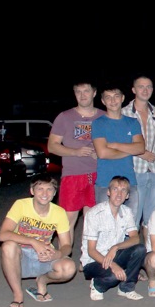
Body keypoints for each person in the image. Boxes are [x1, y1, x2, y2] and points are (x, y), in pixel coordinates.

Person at [0, 174, 76, 307]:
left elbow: (66, 246)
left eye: (49, 189)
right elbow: (3, 234)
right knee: (8, 246)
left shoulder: (59, 212)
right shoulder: (21, 205)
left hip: (44, 256)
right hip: (20, 257)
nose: (44, 193)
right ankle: (18, 296)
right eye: (40, 189)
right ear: (32, 191)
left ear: (54, 193)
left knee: (69, 268)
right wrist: (33, 241)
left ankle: (42, 280)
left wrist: (56, 254)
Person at [47, 80, 105, 243]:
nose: (82, 95)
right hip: (73, 175)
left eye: (86, 91)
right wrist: (75, 152)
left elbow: (113, 144)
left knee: (93, 222)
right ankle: (64, 261)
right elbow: (52, 146)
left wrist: (101, 154)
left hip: (98, 176)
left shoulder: (104, 116)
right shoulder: (65, 117)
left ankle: (87, 261)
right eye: (78, 92)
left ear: (94, 93)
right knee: (67, 221)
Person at [80, 176, 146, 300]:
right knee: (114, 276)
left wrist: (116, 247)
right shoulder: (94, 214)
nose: (119, 194)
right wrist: (113, 266)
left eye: (123, 190)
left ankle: (126, 288)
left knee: (140, 249)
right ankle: (97, 285)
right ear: (108, 192)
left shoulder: (127, 212)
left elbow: (135, 238)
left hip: (114, 254)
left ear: (127, 196)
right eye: (115, 189)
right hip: (93, 261)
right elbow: (91, 251)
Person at [121, 75, 155, 238]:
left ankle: (151, 253)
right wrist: (142, 153)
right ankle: (131, 253)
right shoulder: (124, 113)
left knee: (153, 217)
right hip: (135, 169)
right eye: (141, 86)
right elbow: (118, 143)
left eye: (149, 86)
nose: (145, 90)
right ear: (134, 90)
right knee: (133, 214)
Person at [92, 85, 145, 218]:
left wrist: (114, 145)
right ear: (103, 101)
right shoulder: (98, 124)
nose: (112, 101)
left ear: (122, 98)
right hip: (105, 183)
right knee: (105, 226)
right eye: (108, 97)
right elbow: (103, 153)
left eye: (116, 96)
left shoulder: (132, 123)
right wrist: (129, 149)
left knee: (130, 226)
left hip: (130, 182)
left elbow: (140, 148)